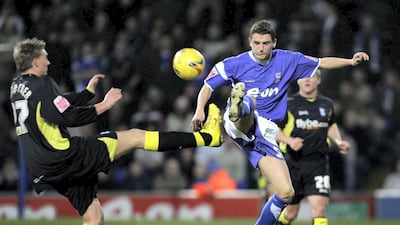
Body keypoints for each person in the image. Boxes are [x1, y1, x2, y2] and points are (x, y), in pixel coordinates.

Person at [9, 37, 223, 225]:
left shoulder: (17, 86)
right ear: (35, 61)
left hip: (43, 166)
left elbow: (56, 104)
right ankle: (206, 137)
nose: (48, 61)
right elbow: (67, 116)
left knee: (94, 217)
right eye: (45, 57)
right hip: (64, 156)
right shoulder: (42, 85)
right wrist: (104, 105)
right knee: (135, 137)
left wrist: (86, 94)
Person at [191, 19, 369, 225]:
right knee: (250, 102)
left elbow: (321, 62)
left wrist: (349, 61)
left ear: (274, 43)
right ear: (249, 42)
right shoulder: (234, 63)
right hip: (238, 121)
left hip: (264, 132)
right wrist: (199, 110)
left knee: (286, 192)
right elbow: (208, 86)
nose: (260, 48)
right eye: (256, 43)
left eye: (265, 43)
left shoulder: (288, 60)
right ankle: (240, 105)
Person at [274, 69, 350, 225]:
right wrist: (289, 141)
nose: (307, 80)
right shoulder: (288, 104)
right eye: (303, 77)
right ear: (298, 81)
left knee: (319, 209)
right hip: (293, 164)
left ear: (318, 80)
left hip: (318, 163)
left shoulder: (327, 104)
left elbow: (330, 124)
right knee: (291, 213)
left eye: (312, 76)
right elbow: (273, 131)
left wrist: (338, 140)